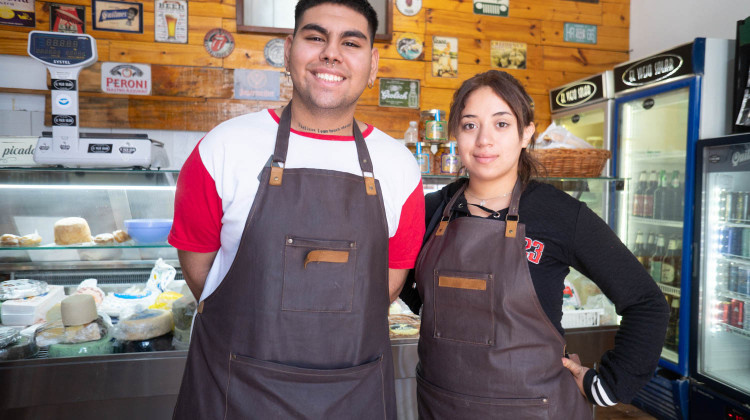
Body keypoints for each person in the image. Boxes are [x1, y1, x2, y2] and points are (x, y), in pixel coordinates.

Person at [169, 0, 425, 418]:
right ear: (289, 49)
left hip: (352, 394)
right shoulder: (223, 146)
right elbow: (202, 277)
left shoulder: (399, 166)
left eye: (351, 42)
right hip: (235, 393)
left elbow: (388, 286)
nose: (331, 53)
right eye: (315, 37)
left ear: (373, 63)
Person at [399, 70, 669, 419]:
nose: (484, 140)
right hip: (442, 404)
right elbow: (403, 283)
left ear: (526, 133)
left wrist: (608, 386)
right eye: (470, 125)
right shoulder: (431, 210)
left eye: (501, 124)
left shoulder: (559, 215)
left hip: (536, 408)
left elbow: (647, 303)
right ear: (455, 135)